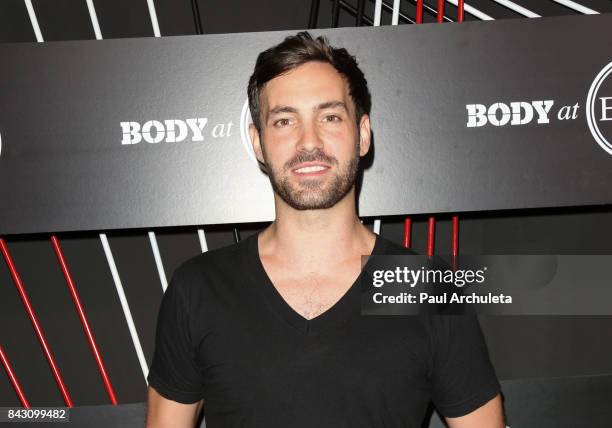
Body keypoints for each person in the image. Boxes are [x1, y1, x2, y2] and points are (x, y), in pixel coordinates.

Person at [145, 31, 505, 428]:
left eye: (330, 116)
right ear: (258, 144)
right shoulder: (200, 289)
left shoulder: (425, 289)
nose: (308, 141)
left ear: (363, 134)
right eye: (284, 120)